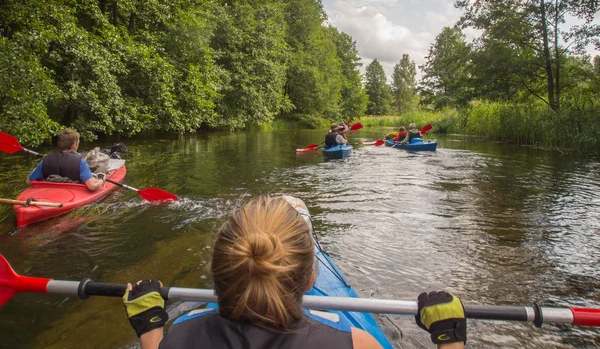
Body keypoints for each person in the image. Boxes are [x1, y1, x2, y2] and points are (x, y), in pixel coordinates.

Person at [122, 196, 467, 349]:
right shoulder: (357, 345)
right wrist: (449, 338)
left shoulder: (178, 338)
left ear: (218, 273)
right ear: (311, 278)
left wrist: (150, 327)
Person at [26, 128, 104, 191]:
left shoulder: (45, 160)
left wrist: (43, 161)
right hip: (73, 193)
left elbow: (29, 181)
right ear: (74, 144)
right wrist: (101, 179)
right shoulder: (80, 162)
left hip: (50, 192)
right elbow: (92, 186)